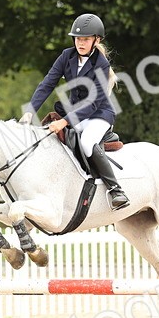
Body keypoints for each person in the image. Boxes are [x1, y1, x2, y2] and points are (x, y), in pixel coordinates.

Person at [19, 12, 129, 210]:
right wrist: (30, 111)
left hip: (98, 114)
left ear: (97, 40)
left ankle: (116, 190)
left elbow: (92, 103)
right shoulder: (66, 56)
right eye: (78, 39)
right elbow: (47, 84)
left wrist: (64, 121)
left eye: (85, 39)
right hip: (75, 114)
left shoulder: (101, 64)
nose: (80, 43)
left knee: (87, 143)